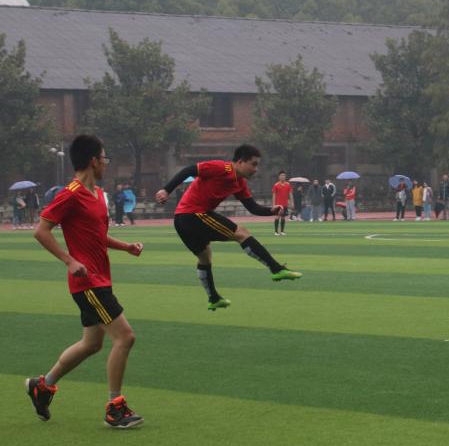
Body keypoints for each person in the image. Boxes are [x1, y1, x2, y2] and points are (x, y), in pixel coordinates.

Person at [27, 134, 144, 428]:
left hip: (101, 279)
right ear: (93, 161)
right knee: (125, 337)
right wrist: (69, 260)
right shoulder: (70, 193)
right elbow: (41, 231)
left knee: (91, 344)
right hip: (87, 282)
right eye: (104, 158)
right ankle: (115, 408)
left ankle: (43, 386)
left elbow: (97, 236)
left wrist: (126, 247)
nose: (106, 163)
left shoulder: (97, 195)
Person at [155, 144, 302, 311]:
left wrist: (271, 210)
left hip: (182, 218)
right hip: (193, 215)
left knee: (205, 257)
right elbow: (189, 170)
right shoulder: (221, 168)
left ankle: (213, 298)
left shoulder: (240, 183)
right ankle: (276, 269)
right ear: (240, 162)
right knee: (242, 233)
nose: (256, 169)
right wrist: (166, 190)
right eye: (253, 164)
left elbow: (253, 208)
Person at [271, 171, 292, 236]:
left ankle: (282, 231)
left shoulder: (288, 184)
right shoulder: (276, 185)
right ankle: (276, 232)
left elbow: (290, 194)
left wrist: (292, 202)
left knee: (283, 217)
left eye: (284, 175)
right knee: (277, 217)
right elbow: (274, 195)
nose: (283, 177)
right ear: (279, 177)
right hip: (278, 204)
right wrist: (273, 204)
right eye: (282, 175)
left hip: (285, 204)